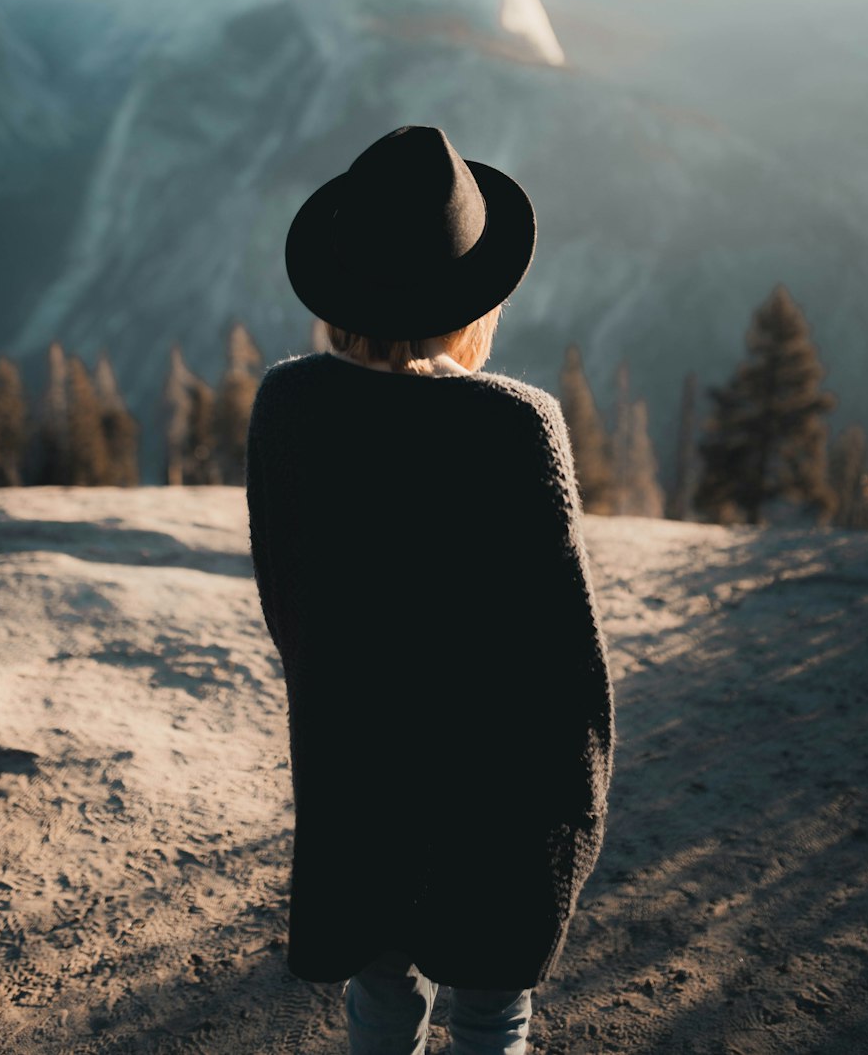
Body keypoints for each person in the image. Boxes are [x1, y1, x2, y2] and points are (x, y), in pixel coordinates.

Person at [245, 124, 615, 1055]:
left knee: (378, 1004)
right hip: (497, 795)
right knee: (492, 1013)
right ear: (472, 300)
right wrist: (580, 803)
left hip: (355, 778)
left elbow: (287, 602)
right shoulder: (518, 426)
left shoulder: (288, 408)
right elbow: (566, 654)